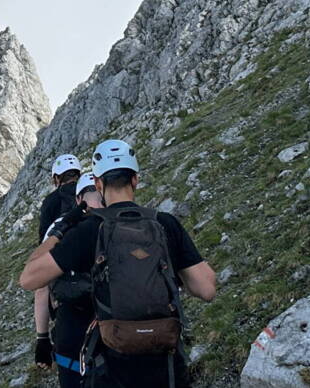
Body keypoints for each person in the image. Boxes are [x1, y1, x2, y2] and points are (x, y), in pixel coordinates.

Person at [19, 140, 217, 388]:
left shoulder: (89, 230)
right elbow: (207, 289)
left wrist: (62, 228)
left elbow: (29, 279)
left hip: (111, 368)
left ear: (99, 184)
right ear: (135, 180)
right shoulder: (166, 224)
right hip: (165, 365)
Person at [38, 171, 104, 387]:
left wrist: (42, 339)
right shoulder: (129, 222)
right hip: (122, 326)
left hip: (72, 329)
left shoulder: (64, 228)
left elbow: (38, 285)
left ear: (77, 199)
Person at [34, 154, 83, 368]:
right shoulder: (95, 197)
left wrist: (42, 339)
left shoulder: (52, 202)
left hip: (67, 300)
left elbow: (42, 257)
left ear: (56, 179)